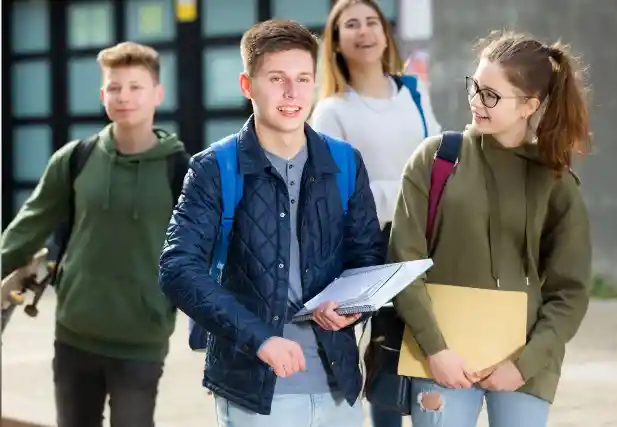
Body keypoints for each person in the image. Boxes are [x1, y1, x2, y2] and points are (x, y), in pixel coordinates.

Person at [158, 19, 385, 427]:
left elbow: (367, 255)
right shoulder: (215, 167)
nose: (291, 92)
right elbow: (178, 268)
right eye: (276, 78)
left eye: (303, 79)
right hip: (255, 392)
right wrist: (260, 339)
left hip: (339, 388)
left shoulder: (346, 162)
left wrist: (353, 308)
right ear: (248, 85)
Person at [390, 30, 592, 427]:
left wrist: (526, 364)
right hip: (439, 359)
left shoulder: (555, 182)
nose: (476, 102)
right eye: (475, 87)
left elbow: (569, 292)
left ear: (529, 106)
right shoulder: (435, 160)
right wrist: (436, 350)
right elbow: (403, 261)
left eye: (492, 96)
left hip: (523, 366)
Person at [1, 42, 189, 427]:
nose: (124, 97)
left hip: (142, 339)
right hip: (75, 333)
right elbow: (25, 230)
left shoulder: (182, 171)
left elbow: (210, 254)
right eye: (114, 87)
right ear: (103, 95)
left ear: (157, 94)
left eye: (135, 87)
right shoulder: (75, 158)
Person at [311, 1, 441, 426]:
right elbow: (336, 191)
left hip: (428, 237)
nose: (364, 31)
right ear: (335, 42)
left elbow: (439, 157)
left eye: (372, 22)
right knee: (386, 356)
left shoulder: (413, 93)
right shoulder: (332, 110)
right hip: (376, 246)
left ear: (386, 34)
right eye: (351, 25)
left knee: (432, 348)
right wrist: (409, 192)